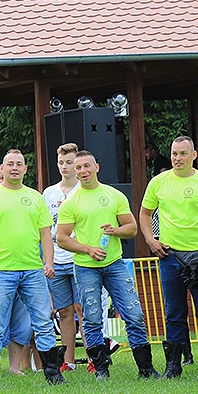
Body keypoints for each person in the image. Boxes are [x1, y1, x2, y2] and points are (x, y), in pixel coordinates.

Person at [0, 150, 66, 386]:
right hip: (0, 270)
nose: (14, 168)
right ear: (2, 168)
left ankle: (53, 372)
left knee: (43, 321)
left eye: (18, 164)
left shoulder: (34, 197)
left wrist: (48, 262)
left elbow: (45, 235)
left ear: (25, 169)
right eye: (9, 164)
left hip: (32, 270)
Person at [57, 151, 159, 380]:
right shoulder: (71, 202)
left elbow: (132, 229)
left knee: (134, 314)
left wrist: (115, 231)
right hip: (85, 267)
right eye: (78, 168)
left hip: (115, 264)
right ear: (75, 171)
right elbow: (62, 238)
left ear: (97, 167)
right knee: (91, 317)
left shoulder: (114, 195)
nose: (83, 171)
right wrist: (88, 249)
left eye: (87, 166)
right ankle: (101, 369)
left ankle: (146, 369)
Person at [139, 136, 198, 378]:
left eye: (183, 154)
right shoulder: (158, 182)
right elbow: (144, 213)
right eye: (174, 153)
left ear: (194, 155)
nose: (177, 158)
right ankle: (173, 365)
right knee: (173, 312)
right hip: (169, 256)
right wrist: (150, 240)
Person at [42, 143, 83, 372]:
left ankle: (94, 359)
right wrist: (46, 259)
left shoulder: (83, 189)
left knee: (82, 309)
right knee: (64, 311)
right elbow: (44, 228)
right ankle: (68, 361)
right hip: (56, 259)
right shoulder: (49, 193)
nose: (65, 167)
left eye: (69, 162)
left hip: (79, 258)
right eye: (61, 163)